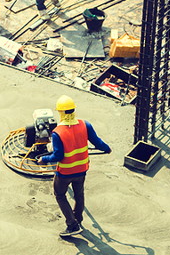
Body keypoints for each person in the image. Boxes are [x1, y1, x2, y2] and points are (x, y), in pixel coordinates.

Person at [37, 95, 111, 237]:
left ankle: (72, 225)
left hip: (65, 173)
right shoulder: (85, 125)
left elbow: (57, 156)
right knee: (79, 195)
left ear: (60, 112)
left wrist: (44, 159)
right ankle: (78, 219)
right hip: (82, 170)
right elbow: (98, 142)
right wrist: (107, 149)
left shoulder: (57, 132)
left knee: (60, 195)